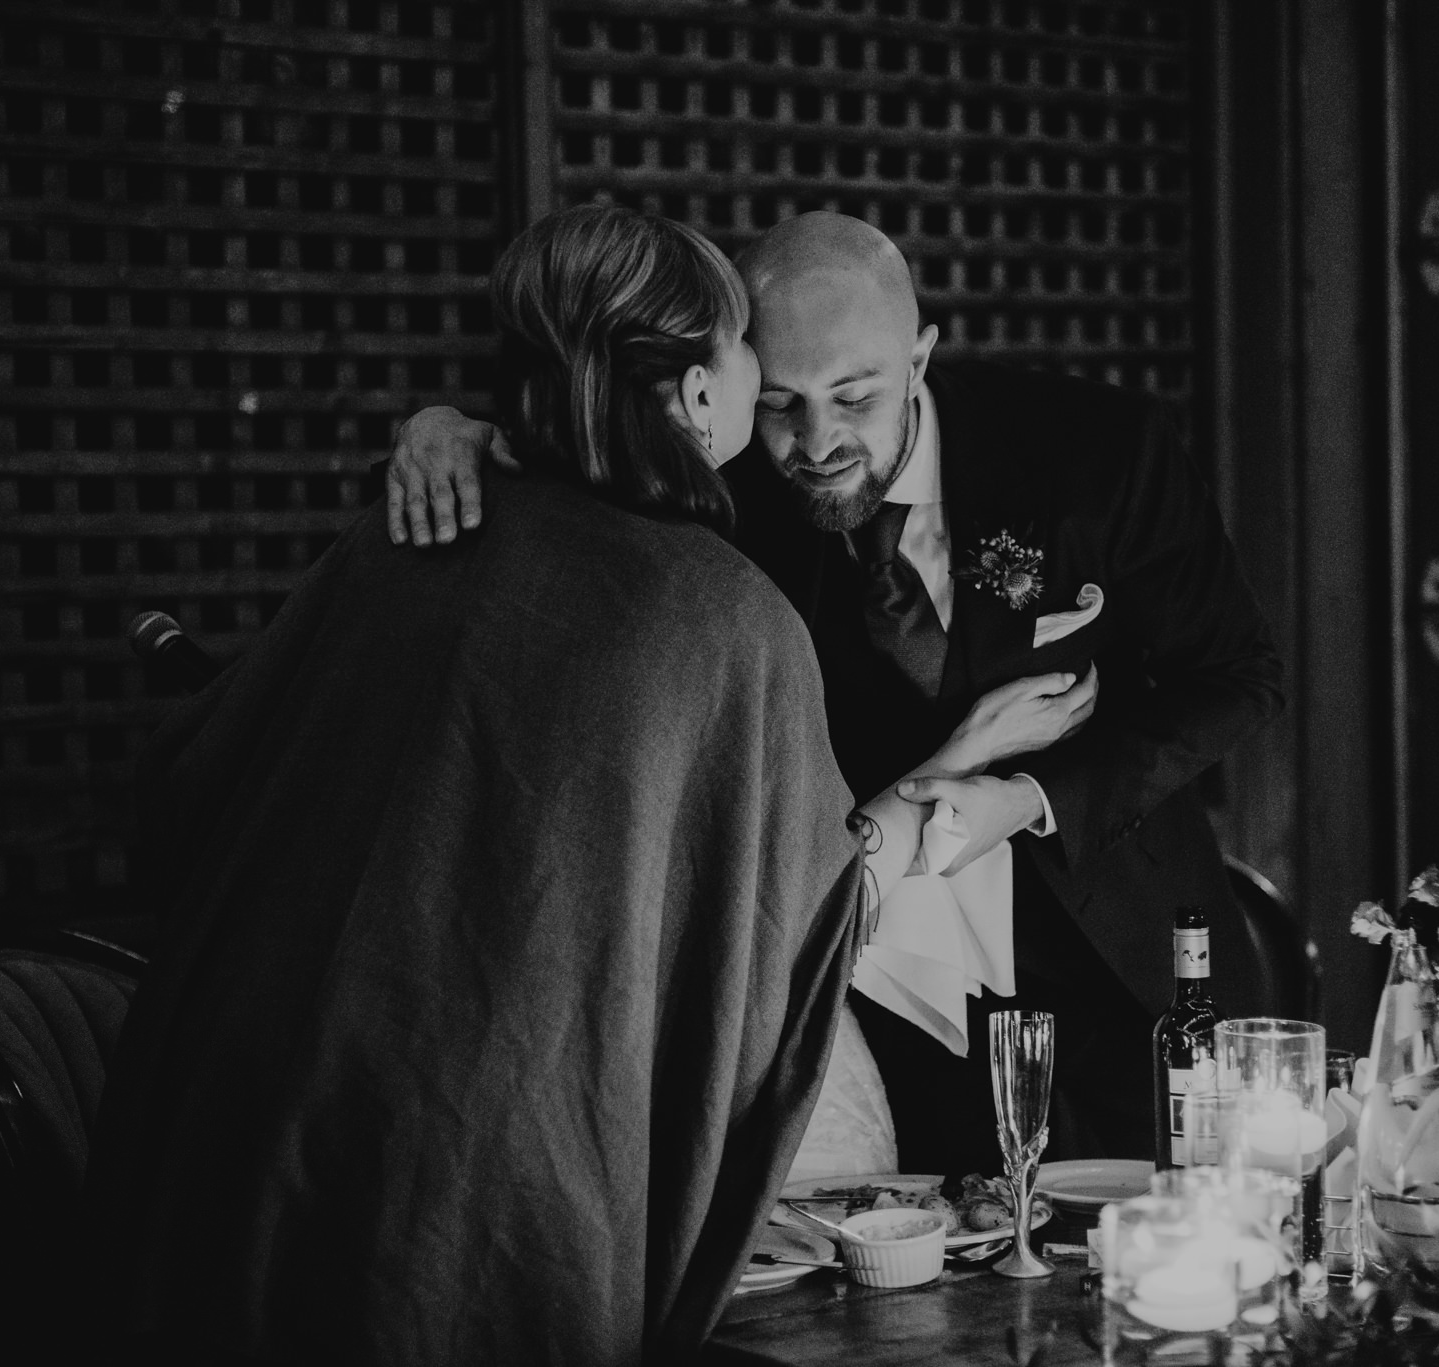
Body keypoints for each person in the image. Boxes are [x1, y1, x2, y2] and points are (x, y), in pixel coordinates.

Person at [84, 204, 1072, 1366]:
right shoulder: (718, 618)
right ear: (701, 397)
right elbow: (795, 920)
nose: (773, 398)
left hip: (214, 1135)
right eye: (746, 356)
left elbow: (193, 777)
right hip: (471, 1193)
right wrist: (947, 783)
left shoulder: (402, 534)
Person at [386, 211, 1285, 1182]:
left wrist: (1028, 798)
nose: (815, 443)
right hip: (891, 992)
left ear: (918, 358)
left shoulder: (1095, 452)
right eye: (778, 402)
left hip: (1125, 958)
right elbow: (584, 433)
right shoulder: (717, 492)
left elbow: (1238, 677)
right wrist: (455, 432)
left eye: (853, 396)